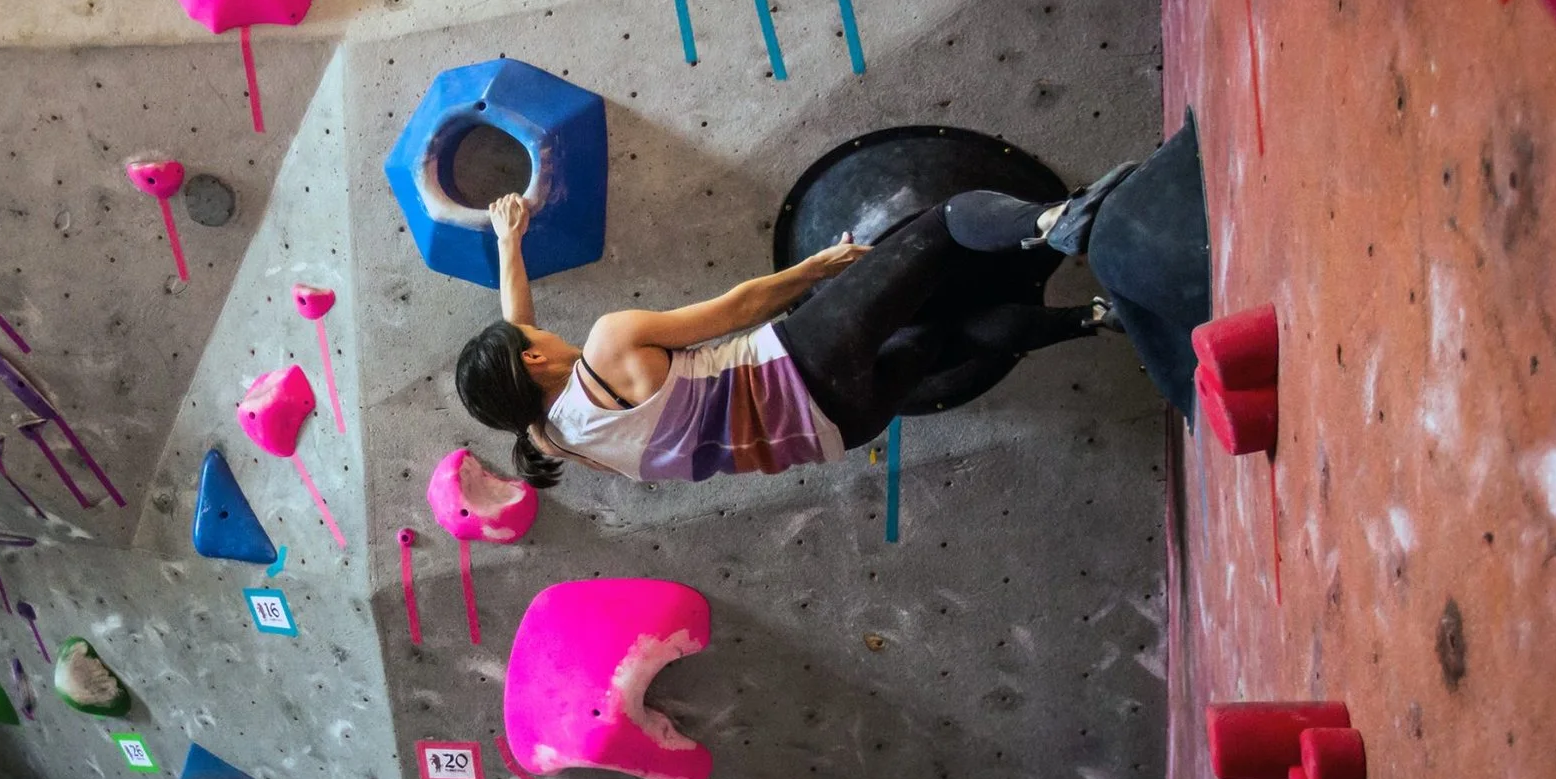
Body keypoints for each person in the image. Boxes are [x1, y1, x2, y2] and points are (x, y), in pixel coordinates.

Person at [453, 191, 1116, 486]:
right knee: (941, 222)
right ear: (533, 355)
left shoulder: (554, 438)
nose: (536, 322)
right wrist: (812, 272)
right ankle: (1057, 220)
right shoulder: (607, 344)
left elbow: (518, 327)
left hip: (834, 430)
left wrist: (510, 241)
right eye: (530, 335)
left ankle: (1093, 317)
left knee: (945, 334)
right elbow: (738, 305)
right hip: (802, 361)